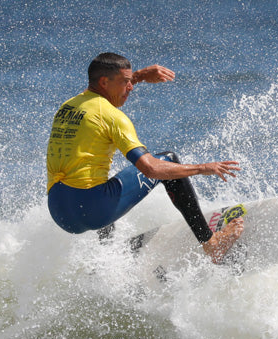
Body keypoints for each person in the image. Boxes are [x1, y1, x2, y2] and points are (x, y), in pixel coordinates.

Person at [46, 52, 244, 263]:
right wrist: (202, 168)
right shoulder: (114, 118)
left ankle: (107, 256)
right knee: (168, 161)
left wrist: (137, 76)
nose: (130, 88)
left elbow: (99, 102)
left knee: (103, 179)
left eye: (130, 82)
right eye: (126, 82)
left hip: (60, 211)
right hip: (94, 211)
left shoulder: (68, 107)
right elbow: (151, 169)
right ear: (104, 82)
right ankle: (211, 244)